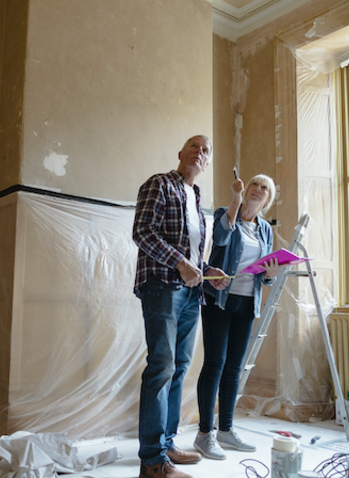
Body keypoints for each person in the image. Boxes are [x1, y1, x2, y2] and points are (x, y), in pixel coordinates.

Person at [133, 135, 230, 478]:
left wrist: (207, 271)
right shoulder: (160, 184)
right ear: (180, 153)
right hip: (161, 286)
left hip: (191, 293)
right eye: (194, 145)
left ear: (206, 163)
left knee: (179, 367)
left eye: (205, 150)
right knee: (161, 366)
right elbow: (142, 232)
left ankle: (167, 445)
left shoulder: (197, 197)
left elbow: (192, 256)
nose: (199, 152)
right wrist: (179, 263)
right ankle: (153, 462)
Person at [192, 174, 280, 460]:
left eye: (264, 188)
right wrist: (235, 199)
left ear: (268, 198)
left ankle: (226, 430)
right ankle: (204, 434)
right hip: (219, 299)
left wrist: (270, 275)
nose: (258, 189)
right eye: (254, 184)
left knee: (234, 368)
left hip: (247, 302)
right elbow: (220, 238)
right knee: (215, 364)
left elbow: (264, 278)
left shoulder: (265, 229)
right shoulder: (225, 214)